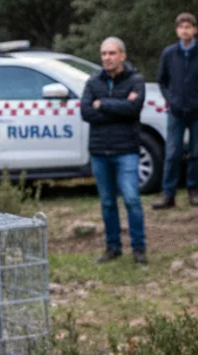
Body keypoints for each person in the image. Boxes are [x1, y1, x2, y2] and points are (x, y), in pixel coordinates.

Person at [81, 37, 148, 265]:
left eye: (111, 53)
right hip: (100, 151)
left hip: (126, 150)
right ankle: (113, 247)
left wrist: (104, 104)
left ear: (122, 56)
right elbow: (86, 112)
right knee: (108, 202)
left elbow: (133, 108)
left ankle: (139, 248)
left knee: (131, 199)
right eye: (104, 54)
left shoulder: (136, 80)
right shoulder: (92, 82)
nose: (107, 58)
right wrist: (118, 106)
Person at [153, 13, 198, 209]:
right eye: (181, 28)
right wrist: (171, 101)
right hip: (176, 111)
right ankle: (168, 193)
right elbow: (162, 81)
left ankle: (193, 191)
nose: (185, 31)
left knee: (195, 152)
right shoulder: (169, 53)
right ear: (177, 31)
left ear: (195, 30)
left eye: (188, 27)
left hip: (197, 111)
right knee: (172, 153)